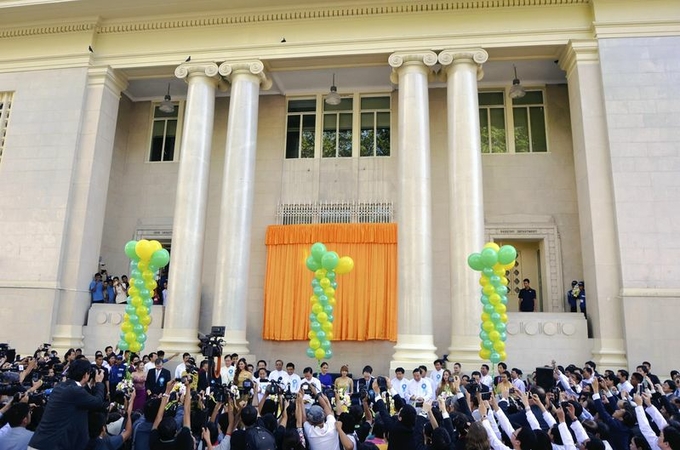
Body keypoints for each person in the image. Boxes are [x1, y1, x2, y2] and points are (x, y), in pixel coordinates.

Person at [28, 358, 108, 450]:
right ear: (86, 375)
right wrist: (99, 383)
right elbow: (97, 402)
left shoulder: (60, 386)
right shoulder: (74, 391)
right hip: (52, 446)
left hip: (39, 443)